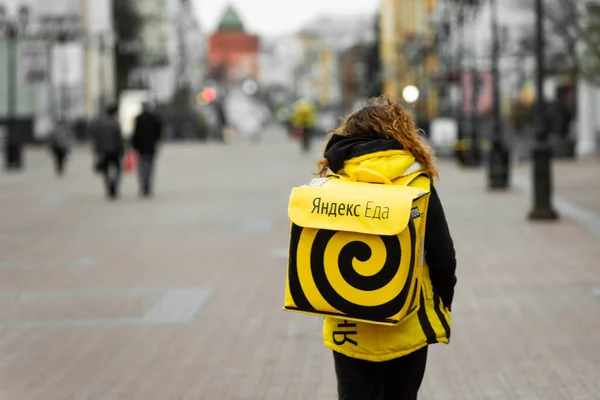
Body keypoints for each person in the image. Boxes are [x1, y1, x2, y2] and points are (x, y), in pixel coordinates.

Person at [315, 96, 457, 400]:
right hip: (407, 321)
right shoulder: (417, 182)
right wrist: (441, 302)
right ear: (402, 133)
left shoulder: (332, 185)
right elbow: (443, 256)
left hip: (349, 327)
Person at [89, 104, 124, 200]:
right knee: (117, 169)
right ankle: (114, 185)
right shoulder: (115, 123)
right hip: (115, 151)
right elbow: (119, 138)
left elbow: (96, 138)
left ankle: (108, 185)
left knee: (105, 170)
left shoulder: (100, 123)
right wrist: (122, 150)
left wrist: (96, 150)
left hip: (103, 150)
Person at [131, 101, 163, 197]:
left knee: (141, 167)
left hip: (141, 148)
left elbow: (135, 134)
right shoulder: (154, 118)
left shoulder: (138, 119)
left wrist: (134, 146)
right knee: (150, 167)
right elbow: (158, 133)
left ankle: (143, 185)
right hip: (151, 147)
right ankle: (148, 185)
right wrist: (156, 142)